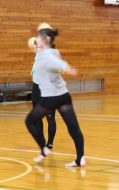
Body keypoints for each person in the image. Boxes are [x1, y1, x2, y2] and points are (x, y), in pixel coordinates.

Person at [25, 28, 85, 167]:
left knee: (30, 121)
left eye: (38, 38)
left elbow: (57, 63)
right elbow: (52, 60)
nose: (35, 40)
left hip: (50, 98)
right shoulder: (50, 52)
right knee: (73, 125)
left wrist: (68, 68)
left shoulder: (46, 55)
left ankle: (44, 149)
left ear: (44, 40)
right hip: (63, 95)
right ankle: (80, 157)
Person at [30, 37, 57, 154]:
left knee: (50, 117)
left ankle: (50, 143)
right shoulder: (38, 55)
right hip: (36, 89)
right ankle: (43, 142)